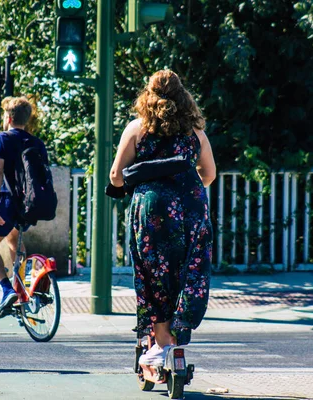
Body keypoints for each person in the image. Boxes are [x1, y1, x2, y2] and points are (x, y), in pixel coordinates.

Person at [108, 70, 216, 366]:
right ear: (184, 97)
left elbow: (116, 177)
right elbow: (209, 174)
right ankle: (180, 329)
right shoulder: (195, 132)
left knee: (153, 272)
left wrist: (146, 184)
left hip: (152, 208)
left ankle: (159, 343)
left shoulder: (138, 128)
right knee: (189, 268)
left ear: (148, 95)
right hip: (191, 205)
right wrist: (185, 191)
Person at [0, 96, 49, 318]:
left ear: (8, 118)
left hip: (7, 202)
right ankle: (24, 290)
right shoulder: (36, 143)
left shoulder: (0, 139)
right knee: (13, 239)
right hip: (29, 205)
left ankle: (8, 289)